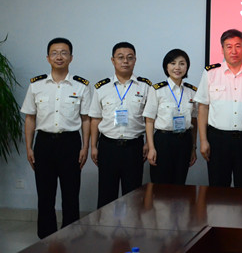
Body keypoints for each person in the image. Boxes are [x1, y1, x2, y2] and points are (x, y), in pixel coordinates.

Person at [21, 37, 91, 239]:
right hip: (43, 143)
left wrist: (85, 147)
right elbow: (30, 118)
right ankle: (46, 238)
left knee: (71, 194)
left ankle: (71, 238)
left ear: (71, 57)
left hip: (70, 144)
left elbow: (86, 119)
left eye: (64, 52)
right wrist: (29, 147)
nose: (59, 56)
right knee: (45, 195)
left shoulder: (81, 85)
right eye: (54, 53)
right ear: (48, 57)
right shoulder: (36, 85)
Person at [193, 29, 242, 188]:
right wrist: (203, 140)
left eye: (238, 46)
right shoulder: (211, 73)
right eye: (229, 46)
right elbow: (203, 108)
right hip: (217, 140)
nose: (234, 51)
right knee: (218, 189)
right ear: (222, 49)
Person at [89, 41, 151, 208]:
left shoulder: (145, 87)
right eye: (121, 57)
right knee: (106, 194)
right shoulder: (101, 87)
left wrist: (148, 143)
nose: (125, 61)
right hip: (108, 146)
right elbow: (95, 119)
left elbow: (149, 119)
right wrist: (93, 146)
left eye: (129, 58)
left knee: (133, 195)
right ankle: (105, 225)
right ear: (113, 60)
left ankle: (131, 226)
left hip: (134, 147)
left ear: (135, 60)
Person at [143, 49, 198, 185]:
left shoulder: (192, 91)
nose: (177, 68)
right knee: (160, 185)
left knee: (179, 183)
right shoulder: (157, 90)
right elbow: (149, 121)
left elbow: (194, 121)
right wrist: (151, 148)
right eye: (173, 63)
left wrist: (193, 147)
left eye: (182, 63)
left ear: (187, 67)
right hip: (163, 141)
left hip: (184, 141)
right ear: (166, 67)